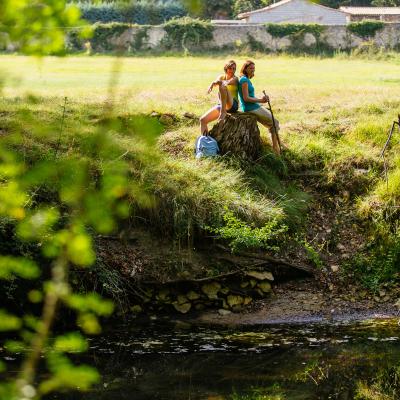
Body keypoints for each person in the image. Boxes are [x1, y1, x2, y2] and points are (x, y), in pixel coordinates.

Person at [238, 60, 281, 155]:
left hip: (253, 106)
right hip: (250, 107)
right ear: (245, 69)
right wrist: (261, 100)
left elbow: (250, 96)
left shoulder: (246, 79)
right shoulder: (244, 80)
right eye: (250, 68)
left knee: (273, 123)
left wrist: (262, 100)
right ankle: (276, 149)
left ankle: (278, 144)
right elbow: (246, 98)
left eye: (253, 68)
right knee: (275, 123)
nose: (252, 70)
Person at [199, 60, 239, 135]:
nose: (232, 70)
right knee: (203, 120)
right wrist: (212, 84)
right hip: (222, 105)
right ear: (226, 68)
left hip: (233, 105)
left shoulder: (235, 79)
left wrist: (217, 83)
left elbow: (225, 83)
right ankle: (206, 142)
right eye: (230, 68)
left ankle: (223, 112)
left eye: (234, 69)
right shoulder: (222, 77)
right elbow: (216, 82)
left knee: (223, 86)